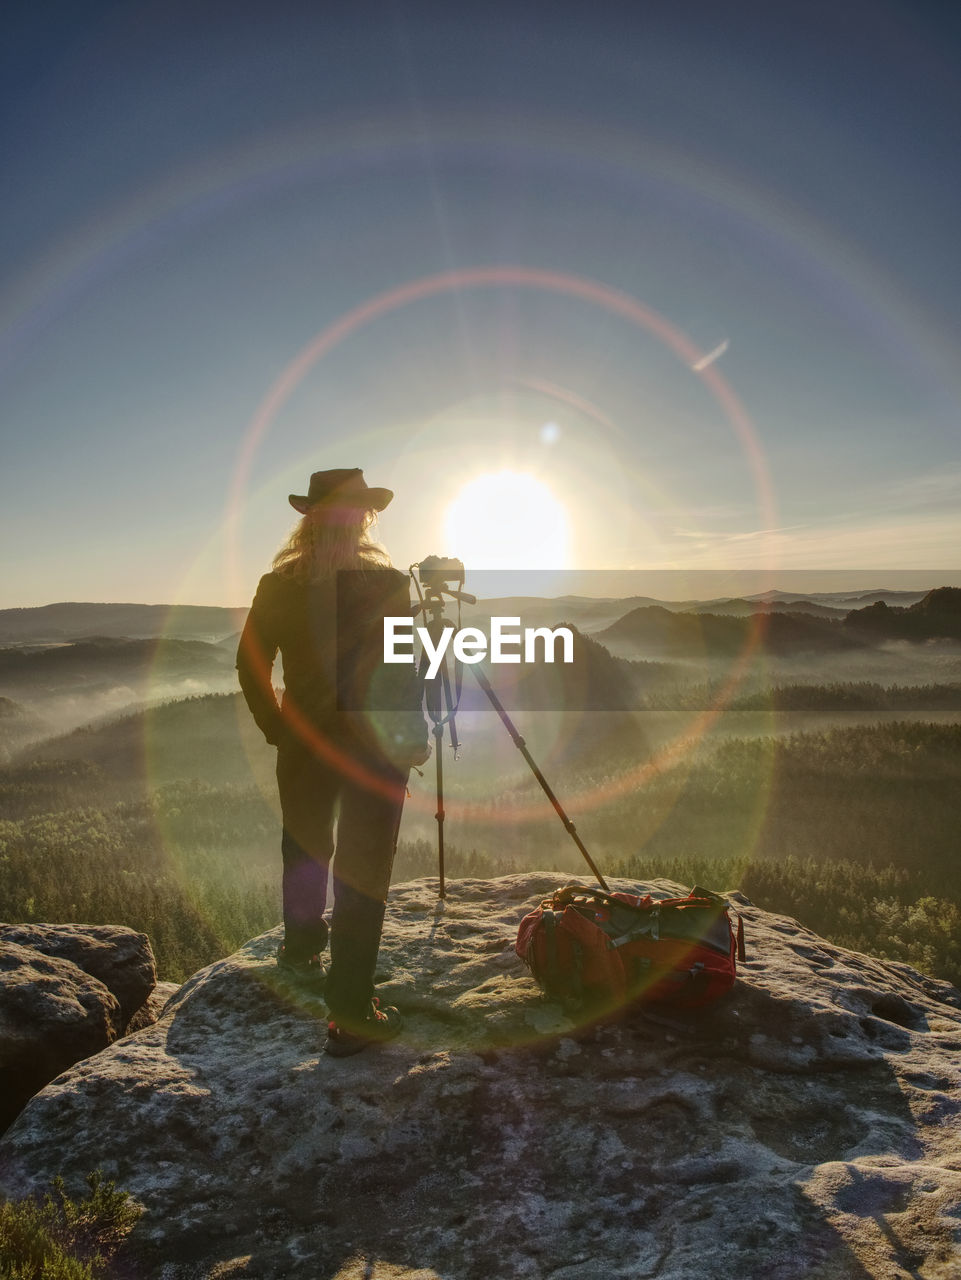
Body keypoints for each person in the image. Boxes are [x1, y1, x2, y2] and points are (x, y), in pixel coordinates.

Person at [236, 468, 429, 1056]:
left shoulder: (278, 586)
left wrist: (279, 729)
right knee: (363, 869)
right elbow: (406, 673)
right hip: (373, 749)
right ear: (365, 519)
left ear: (309, 520)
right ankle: (350, 1012)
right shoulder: (390, 584)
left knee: (305, 841)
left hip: (305, 744)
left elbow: (250, 666)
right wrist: (409, 741)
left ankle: (300, 949)